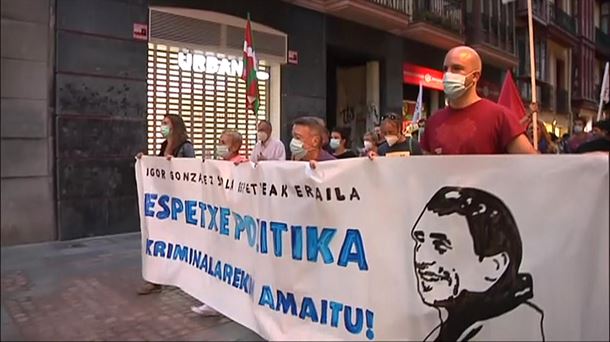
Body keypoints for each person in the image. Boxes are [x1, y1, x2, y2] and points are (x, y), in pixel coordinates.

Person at [411, 187, 545, 341]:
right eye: (419, 241)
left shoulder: (508, 333)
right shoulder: (453, 327)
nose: (422, 260)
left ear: (494, 267)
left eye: (441, 246)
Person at [420, 46, 537, 154]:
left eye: (457, 68)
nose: (448, 74)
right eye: (445, 69)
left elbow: (530, 164)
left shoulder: (501, 117)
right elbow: (426, 169)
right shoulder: (433, 122)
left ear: (475, 76)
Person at [136, 114, 196, 296]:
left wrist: (176, 163)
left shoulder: (185, 147)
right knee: (159, 240)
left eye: (165, 123)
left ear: (175, 126)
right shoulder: (164, 145)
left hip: (180, 202)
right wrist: (144, 160)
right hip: (164, 202)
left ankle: (183, 277)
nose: (162, 126)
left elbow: (191, 170)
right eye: (162, 123)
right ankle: (155, 279)